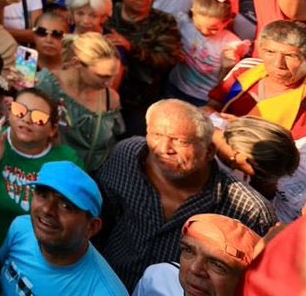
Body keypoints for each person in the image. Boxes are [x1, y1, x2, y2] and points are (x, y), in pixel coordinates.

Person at [94, 99, 276, 290]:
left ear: (208, 151)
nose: (164, 149)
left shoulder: (250, 211)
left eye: (180, 141)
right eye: (156, 135)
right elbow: (101, 216)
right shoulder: (126, 155)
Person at [0, 88, 83, 252]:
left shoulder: (67, 160)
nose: (27, 119)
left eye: (39, 118)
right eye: (19, 111)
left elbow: (74, 222)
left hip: (33, 258)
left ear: (53, 130)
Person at [0, 161, 126, 296]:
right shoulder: (21, 227)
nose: (47, 209)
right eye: (43, 195)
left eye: (66, 206)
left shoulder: (105, 292)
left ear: (92, 227)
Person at [205, 19, 306, 139]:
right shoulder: (244, 70)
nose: (278, 63)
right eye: (270, 52)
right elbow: (214, 103)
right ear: (259, 49)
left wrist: (241, 129)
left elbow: (299, 152)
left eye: (290, 56)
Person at [37, 34, 125, 172]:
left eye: (113, 75)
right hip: (49, 175)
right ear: (76, 63)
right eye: (102, 76)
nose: (110, 83)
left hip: (91, 179)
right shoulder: (46, 85)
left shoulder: (110, 98)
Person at [110, 0, 181, 134]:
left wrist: (130, 48)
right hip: (106, 93)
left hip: (141, 99)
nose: (143, 0)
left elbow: (167, 60)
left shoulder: (164, 22)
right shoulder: (107, 14)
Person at [131, 214, 263, 296]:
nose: (195, 268)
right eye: (188, 251)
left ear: (246, 280)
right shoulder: (157, 278)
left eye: (217, 264)